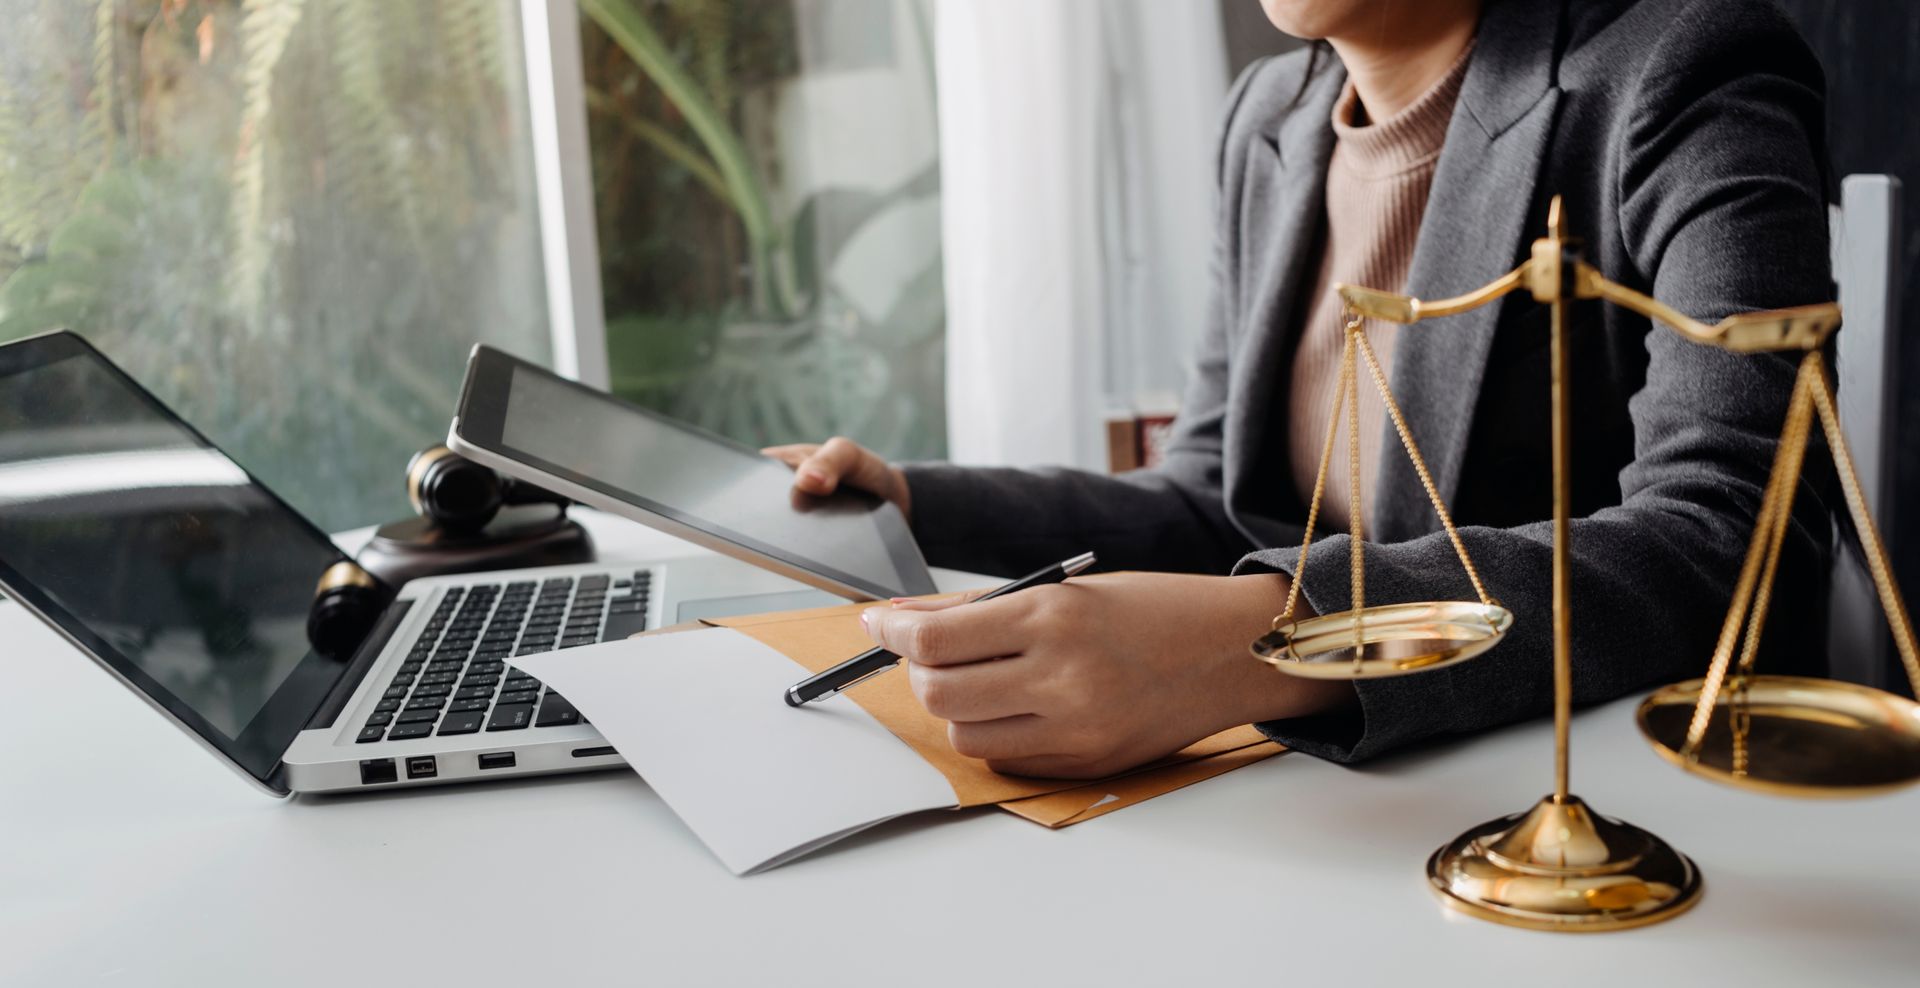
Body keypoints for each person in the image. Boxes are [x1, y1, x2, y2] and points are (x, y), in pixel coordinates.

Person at [765, 0, 1833, 779]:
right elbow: (1205, 498)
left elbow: (1729, 539)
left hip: (1589, 806)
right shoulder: (1270, 116)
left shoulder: (1684, 67)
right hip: (1324, 801)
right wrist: (916, 504)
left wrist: (1264, 638)